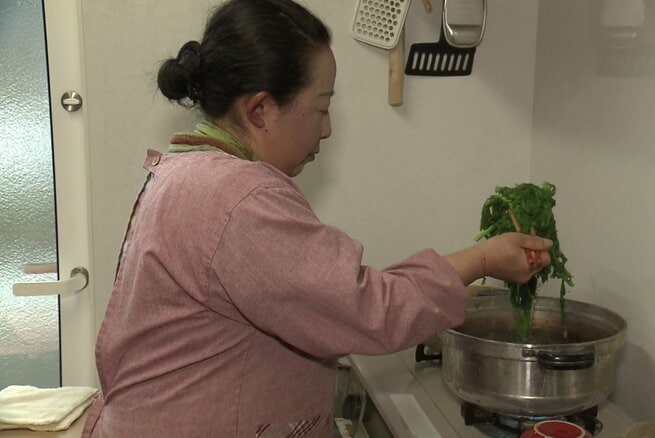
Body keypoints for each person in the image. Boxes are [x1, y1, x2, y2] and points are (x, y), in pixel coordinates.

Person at [82, 0, 553, 436]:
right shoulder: (239, 196)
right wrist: (485, 258)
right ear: (261, 109)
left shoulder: (186, 170)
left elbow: (317, 296)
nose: (326, 130)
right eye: (321, 109)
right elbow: (367, 310)